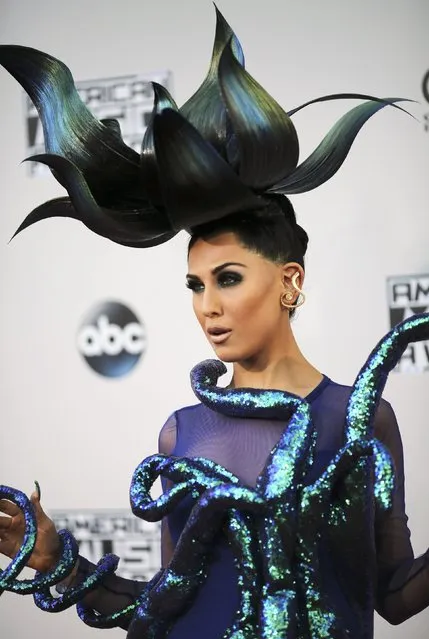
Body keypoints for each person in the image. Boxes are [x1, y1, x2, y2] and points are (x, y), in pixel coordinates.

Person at [0, 7, 428, 639]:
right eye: (196, 285)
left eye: (228, 279)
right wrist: (53, 557)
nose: (207, 305)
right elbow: (164, 611)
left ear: (290, 282)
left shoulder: (360, 421)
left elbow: (393, 594)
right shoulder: (182, 434)